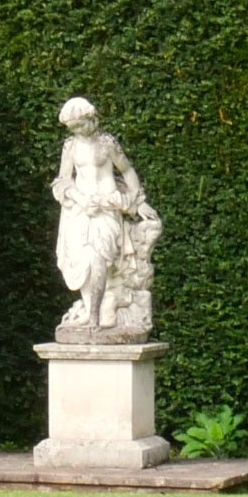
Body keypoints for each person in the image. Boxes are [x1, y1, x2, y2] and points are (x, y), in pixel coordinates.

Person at [51, 97, 157, 337]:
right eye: (74, 127)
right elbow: (63, 179)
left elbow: (127, 171)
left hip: (107, 206)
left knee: (99, 257)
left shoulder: (107, 144)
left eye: (81, 124)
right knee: (84, 260)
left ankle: (96, 316)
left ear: (92, 118)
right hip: (80, 209)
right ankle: (91, 310)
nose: (78, 130)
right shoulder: (70, 147)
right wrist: (79, 198)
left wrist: (138, 201)